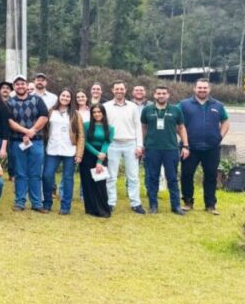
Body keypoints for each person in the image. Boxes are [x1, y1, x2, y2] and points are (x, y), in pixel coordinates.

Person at [179, 78, 229, 215]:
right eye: (200, 88)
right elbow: (177, 123)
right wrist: (184, 141)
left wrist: (219, 137)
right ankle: (188, 202)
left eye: (205, 88)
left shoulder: (218, 105)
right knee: (187, 175)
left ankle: (210, 205)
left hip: (211, 148)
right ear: (194, 89)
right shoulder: (183, 105)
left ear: (209, 89)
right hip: (190, 147)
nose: (202, 90)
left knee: (211, 176)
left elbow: (225, 121)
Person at [140, 85, 188, 215]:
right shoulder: (147, 110)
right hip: (152, 149)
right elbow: (143, 127)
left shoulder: (176, 110)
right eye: (159, 93)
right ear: (154, 95)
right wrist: (142, 144)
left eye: (164, 93)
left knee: (172, 178)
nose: (161, 96)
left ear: (168, 95)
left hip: (170, 149)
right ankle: (153, 205)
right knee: (152, 178)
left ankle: (176, 206)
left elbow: (181, 128)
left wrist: (185, 145)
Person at [7, 75, 50, 212]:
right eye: (17, 84)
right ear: (14, 87)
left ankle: (37, 203)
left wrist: (33, 131)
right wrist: (26, 131)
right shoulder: (9, 102)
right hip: (17, 142)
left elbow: (44, 117)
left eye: (22, 83)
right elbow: (10, 121)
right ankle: (20, 202)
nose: (20, 86)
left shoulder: (37, 100)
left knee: (36, 173)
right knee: (20, 173)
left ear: (27, 85)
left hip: (36, 142)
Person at [103, 81, 145, 214]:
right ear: (112, 90)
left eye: (121, 89)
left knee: (133, 176)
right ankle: (110, 202)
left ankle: (135, 203)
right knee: (111, 176)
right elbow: (104, 127)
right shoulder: (106, 106)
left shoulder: (133, 107)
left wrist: (139, 146)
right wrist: (104, 146)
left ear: (125, 90)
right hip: (112, 144)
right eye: (117, 89)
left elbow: (138, 126)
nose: (119, 91)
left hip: (130, 144)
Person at [43, 90, 84, 214]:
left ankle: (66, 206)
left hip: (69, 150)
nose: (65, 98)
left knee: (67, 179)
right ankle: (47, 203)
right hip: (52, 149)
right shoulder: (51, 111)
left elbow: (81, 135)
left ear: (71, 99)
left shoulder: (75, 114)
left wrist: (79, 153)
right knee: (47, 176)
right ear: (59, 97)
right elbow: (45, 130)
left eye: (68, 96)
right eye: (63, 95)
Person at [80, 104, 113, 218]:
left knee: (100, 183)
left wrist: (99, 161)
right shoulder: (86, 125)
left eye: (99, 112)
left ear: (103, 113)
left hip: (102, 156)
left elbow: (106, 143)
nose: (97, 114)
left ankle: (103, 210)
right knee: (87, 183)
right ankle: (91, 209)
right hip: (88, 156)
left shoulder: (110, 128)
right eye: (94, 112)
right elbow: (84, 142)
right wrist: (96, 153)